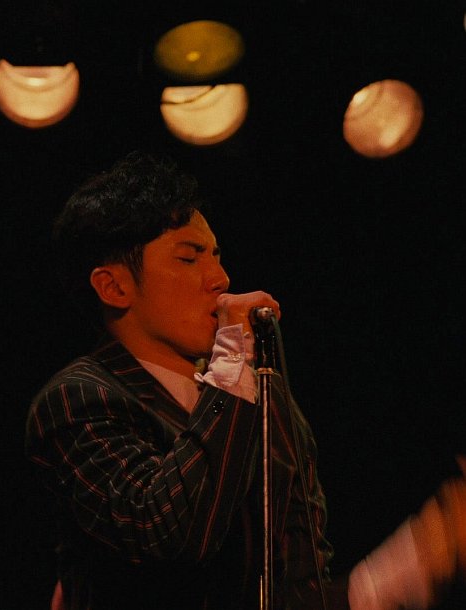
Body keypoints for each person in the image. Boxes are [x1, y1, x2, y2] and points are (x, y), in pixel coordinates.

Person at [24, 151, 466, 609]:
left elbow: (294, 583)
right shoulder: (81, 398)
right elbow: (172, 534)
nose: (220, 278)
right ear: (114, 287)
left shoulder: (259, 394)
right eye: (188, 258)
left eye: (216, 257)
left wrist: (409, 565)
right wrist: (233, 353)